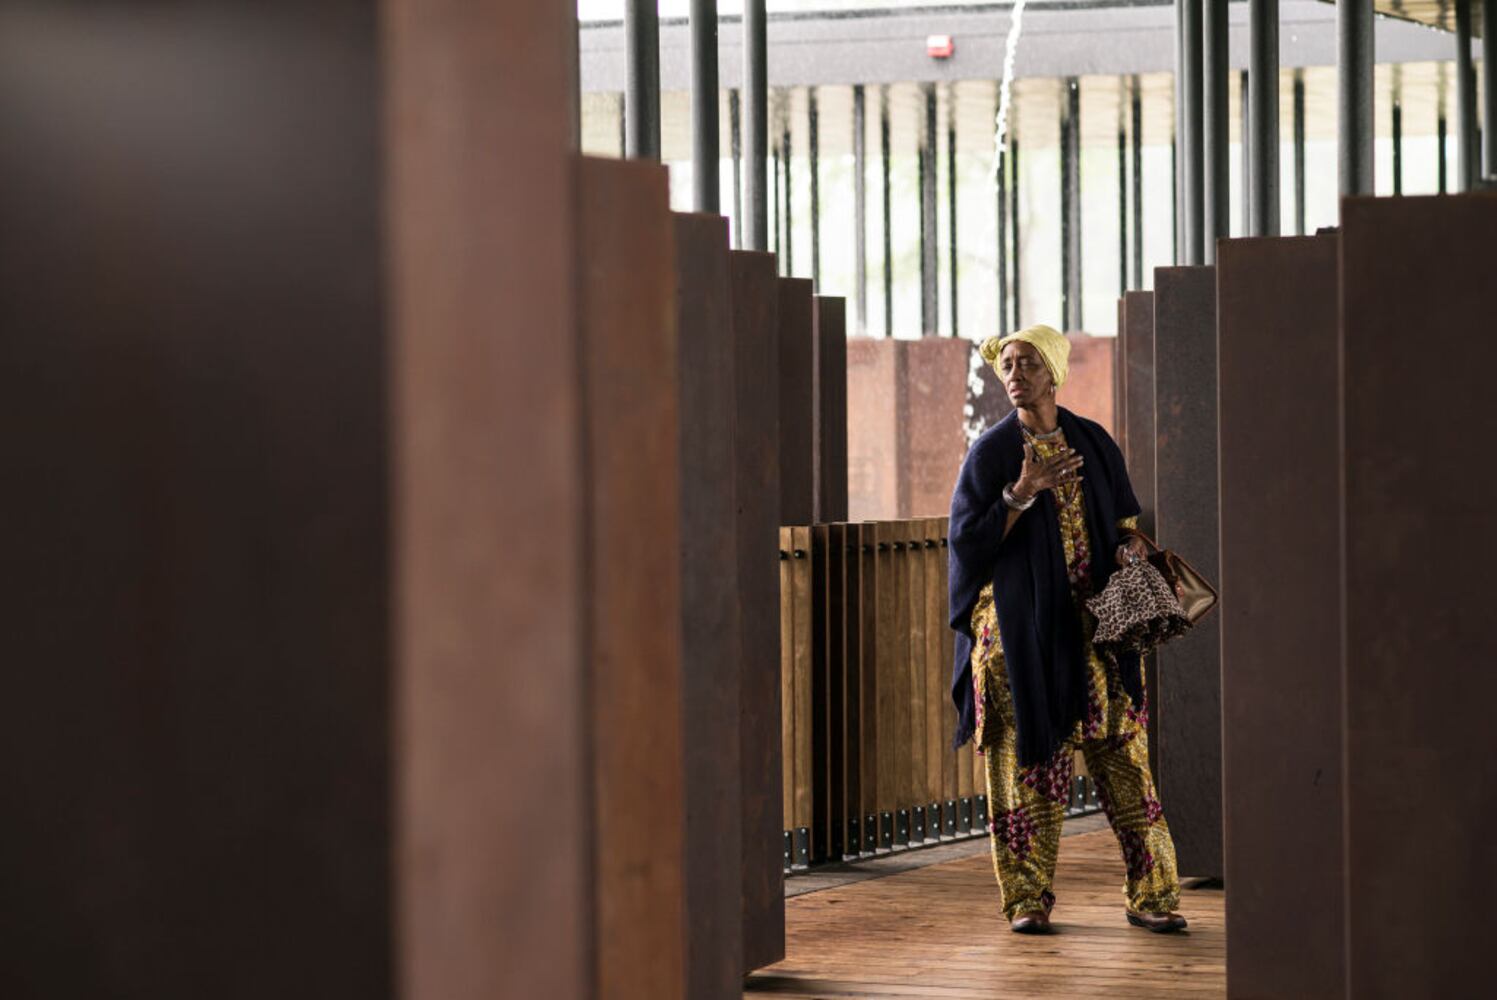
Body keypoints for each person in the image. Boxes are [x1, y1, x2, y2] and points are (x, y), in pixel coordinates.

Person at [947, 324, 1186, 935]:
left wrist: (1132, 547)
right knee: (1027, 767)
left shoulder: (1094, 443)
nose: (1013, 374)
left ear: (1053, 372)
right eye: (1007, 365)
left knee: (1126, 763)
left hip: (1098, 633)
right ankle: (1026, 900)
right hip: (1021, 640)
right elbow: (968, 548)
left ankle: (1154, 895)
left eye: (1026, 363)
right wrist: (1021, 493)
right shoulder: (992, 453)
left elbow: (1127, 522)